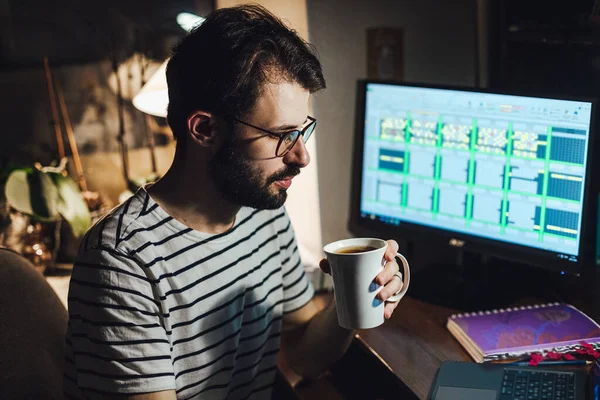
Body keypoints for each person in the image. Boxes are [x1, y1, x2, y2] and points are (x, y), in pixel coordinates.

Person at [63, 4, 404, 400]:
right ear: (205, 129)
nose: (301, 156)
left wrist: (354, 297)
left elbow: (305, 356)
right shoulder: (122, 262)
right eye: (281, 135)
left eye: (302, 131)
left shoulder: (264, 210)